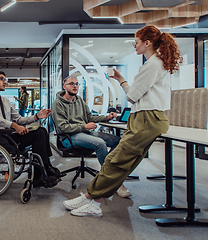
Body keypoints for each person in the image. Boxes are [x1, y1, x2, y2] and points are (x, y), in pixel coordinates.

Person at [63, 25, 182, 217]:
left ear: (147, 42)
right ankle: (91, 199)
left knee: (115, 161)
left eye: (136, 42)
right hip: (147, 117)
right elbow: (136, 95)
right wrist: (121, 80)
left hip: (146, 118)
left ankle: (91, 199)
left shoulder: (152, 64)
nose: (134, 46)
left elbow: (133, 96)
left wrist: (125, 84)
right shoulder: (157, 63)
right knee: (121, 162)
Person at [0, 70, 62, 188]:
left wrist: (37, 116)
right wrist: (13, 126)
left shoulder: (6, 101)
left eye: (5, 79)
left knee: (41, 131)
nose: (5, 82)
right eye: (2, 79)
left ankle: (45, 168)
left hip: (9, 135)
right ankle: (43, 172)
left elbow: (19, 119)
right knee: (38, 134)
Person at [52, 76, 130, 198]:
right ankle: (111, 181)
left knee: (117, 141)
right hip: (69, 137)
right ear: (64, 86)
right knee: (99, 143)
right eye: (71, 83)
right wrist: (84, 126)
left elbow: (90, 117)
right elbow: (63, 127)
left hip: (85, 133)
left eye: (77, 84)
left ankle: (108, 171)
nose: (75, 86)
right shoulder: (58, 104)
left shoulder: (80, 101)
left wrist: (106, 117)